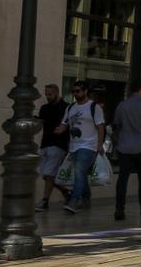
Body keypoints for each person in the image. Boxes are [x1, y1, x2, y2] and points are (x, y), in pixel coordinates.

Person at [111, 78, 141, 220]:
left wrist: (117, 142)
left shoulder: (121, 106)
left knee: (122, 178)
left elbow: (115, 127)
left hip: (124, 147)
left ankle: (119, 209)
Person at [55, 81, 105, 214]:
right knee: (81, 174)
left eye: (78, 91)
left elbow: (100, 127)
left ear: (85, 91)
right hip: (74, 147)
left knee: (78, 171)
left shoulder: (94, 107)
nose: (75, 94)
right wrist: (60, 130)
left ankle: (74, 201)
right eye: (73, 91)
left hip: (89, 146)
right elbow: (64, 124)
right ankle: (86, 198)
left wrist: (100, 145)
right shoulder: (70, 107)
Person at [35, 84, 71, 212]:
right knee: (46, 175)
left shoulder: (66, 107)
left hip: (58, 145)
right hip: (45, 144)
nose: (47, 96)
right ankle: (65, 191)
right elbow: (41, 124)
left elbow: (68, 126)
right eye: (46, 94)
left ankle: (45, 201)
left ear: (57, 92)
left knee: (49, 174)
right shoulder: (44, 108)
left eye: (50, 94)